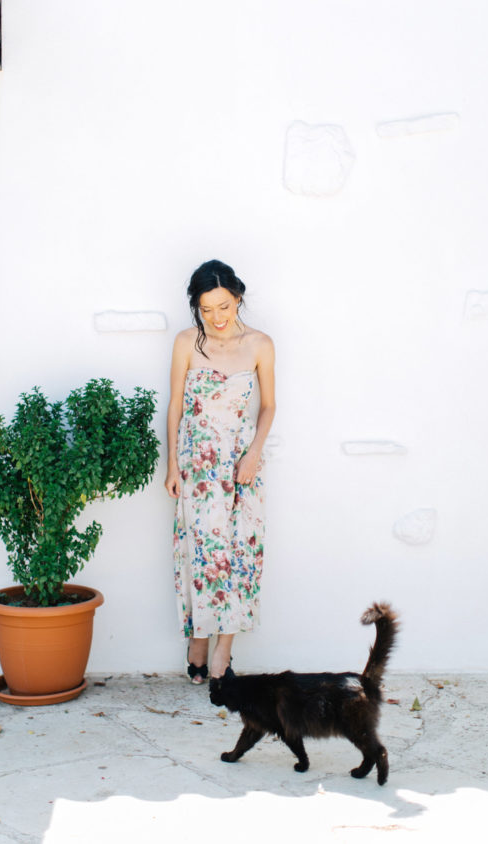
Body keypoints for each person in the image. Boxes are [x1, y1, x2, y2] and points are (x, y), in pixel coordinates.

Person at [165, 259, 276, 682]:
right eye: (206, 309)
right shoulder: (185, 342)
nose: (216, 317)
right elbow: (175, 405)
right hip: (197, 461)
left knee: (239, 554)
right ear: (196, 306)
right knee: (201, 552)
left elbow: (268, 406)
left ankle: (223, 651)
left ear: (238, 299)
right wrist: (172, 463)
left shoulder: (261, 344)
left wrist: (253, 454)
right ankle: (198, 637)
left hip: (242, 461)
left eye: (224, 307)